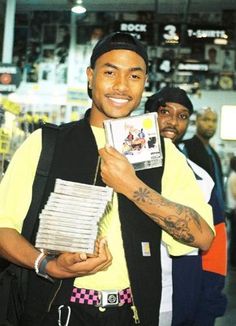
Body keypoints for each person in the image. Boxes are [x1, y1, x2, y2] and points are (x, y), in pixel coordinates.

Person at [0, 32, 214, 326]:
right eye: (110, 72)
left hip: (132, 312)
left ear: (145, 83)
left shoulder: (163, 152)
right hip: (53, 310)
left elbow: (202, 237)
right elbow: (3, 228)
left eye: (134, 76)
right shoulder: (46, 143)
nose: (121, 86)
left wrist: (132, 186)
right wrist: (47, 264)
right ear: (91, 76)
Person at [145, 86, 227, 325]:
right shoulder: (119, 168)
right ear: (148, 115)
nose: (172, 122)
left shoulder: (201, 178)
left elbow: (215, 248)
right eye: (164, 112)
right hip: (122, 297)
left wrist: (208, 307)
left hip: (175, 300)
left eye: (181, 116)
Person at [180, 106, 225, 213]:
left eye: (214, 121)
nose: (210, 124)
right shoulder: (185, 148)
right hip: (196, 212)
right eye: (206, 120)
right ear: (196, 121)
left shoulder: (214, 154)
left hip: (217, 213)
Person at [226, 156, 236, 268]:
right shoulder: (234, 176)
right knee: (234, 236)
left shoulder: (232, 175)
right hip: (234, 209)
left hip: (231, 209)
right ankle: (233, 260)